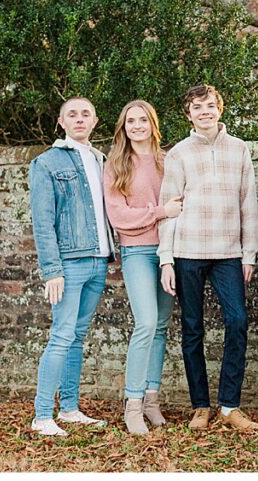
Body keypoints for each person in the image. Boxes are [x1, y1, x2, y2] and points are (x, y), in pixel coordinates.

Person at [157, 85, 258, 432]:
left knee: (237, 321)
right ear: (188, 114)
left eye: (210, 105)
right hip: (187, 251)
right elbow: (170, 208)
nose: (205, 111)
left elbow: (248, 203)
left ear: (220, 108)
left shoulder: (239, 149)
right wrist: (166, 259)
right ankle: (200, 406)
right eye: (197, 107)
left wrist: (249, 254)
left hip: (228, 253)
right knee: (192, 329)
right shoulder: (178, 153)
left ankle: (229, 406)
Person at [29, 97, 115, 436]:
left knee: (77, 337)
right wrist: (52, 270)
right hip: (69, 263)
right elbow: (42, 220)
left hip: (98, 260)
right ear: (61, 122)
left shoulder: (101, 160)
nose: (79, 119)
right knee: (61, 336)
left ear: (94, 121)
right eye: (72, 115)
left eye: (85, 114)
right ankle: (42, 416)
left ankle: (69, 409)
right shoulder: (46, 162)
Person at [104, 100, 184, 435]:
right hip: (137, 252)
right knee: (146, 323)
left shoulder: (170, 160)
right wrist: (158, 212)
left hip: (170, 250)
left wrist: (165, 214)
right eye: (131, 121)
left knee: (162, 326)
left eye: (143, 120)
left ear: (153, 123)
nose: (137, 126)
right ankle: (132, 403)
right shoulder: (116, 164)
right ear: (124, 127)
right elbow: (119, 218)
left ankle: (152, 399)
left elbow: (182, 204)